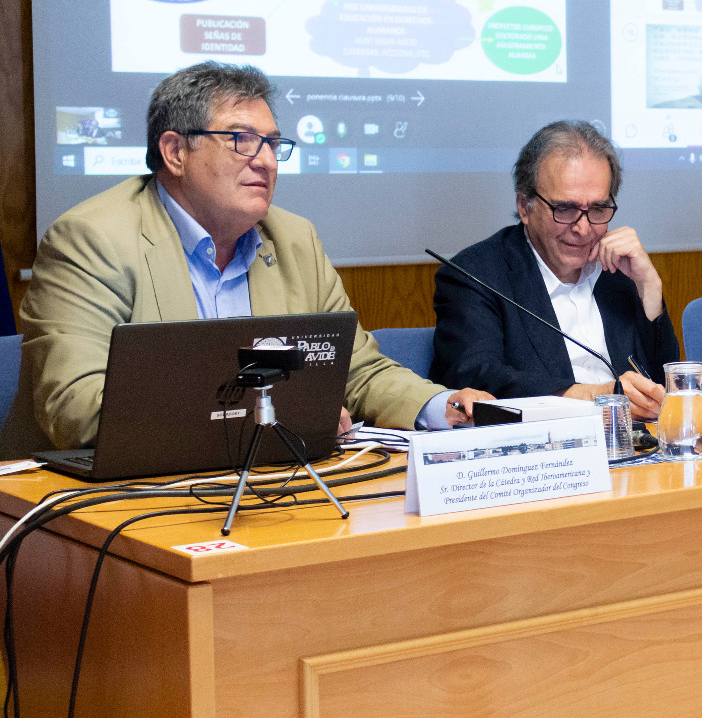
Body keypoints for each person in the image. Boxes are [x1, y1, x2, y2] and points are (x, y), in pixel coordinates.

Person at [0, 62, 491, 458]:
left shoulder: (293, 238)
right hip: (95, 505)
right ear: (174, 151)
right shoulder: (94, 239)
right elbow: (76, 408)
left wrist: (439, 404)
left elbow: (356, 370)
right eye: (242, 140)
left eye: (273, 144)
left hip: (261, 485)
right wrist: (277, 412)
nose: (267, 161)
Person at [432, 122, 678, 420]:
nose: (583, 228)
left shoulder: (619, 271)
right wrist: (591, 396)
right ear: (525, 206)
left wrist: (649, 287)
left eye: (598, 209)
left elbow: (665, 384)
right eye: (565, 209)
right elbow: (474, 377)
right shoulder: (476, 275)